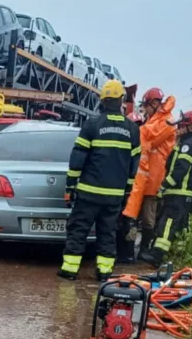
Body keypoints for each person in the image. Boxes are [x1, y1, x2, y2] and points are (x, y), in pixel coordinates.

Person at [58, 80, 141, 282]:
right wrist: (127, 193)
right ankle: (104, 273)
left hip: (88, 193)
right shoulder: (132, 129)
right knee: (107, 234)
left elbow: (78, 158)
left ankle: (70, 270)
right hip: (114, 196)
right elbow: (133, 165)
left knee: (78, 230)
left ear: (103, 101)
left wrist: (70, 186)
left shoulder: (92, 124)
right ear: (121, 100)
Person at [140, 110, 192, 267]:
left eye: (183, 125)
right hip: (182, 193)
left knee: (167, 223)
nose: (179, 128)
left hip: (178, 193)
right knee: (178, 224)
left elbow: (180, 169)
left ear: (191, 126)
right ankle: (175, 253)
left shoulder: (189, 144)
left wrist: (164, 185)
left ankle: (157, 255)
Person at [121, 87, 177, 262]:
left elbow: (148, 138)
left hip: (153, 179)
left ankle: (144, 250)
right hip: (143, 177)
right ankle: (131, 252)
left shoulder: (166, 122)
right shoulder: (155, 120)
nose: (144, 110)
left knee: (147, 217)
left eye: (146, 106)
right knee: (133, 215)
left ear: (154, 103)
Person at [116, 111, 146, 263]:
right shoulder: (130, 143)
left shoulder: (141, 143)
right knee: (124, 222)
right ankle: (124, 253)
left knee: (129, 223)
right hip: (127, 188)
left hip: (134, 189)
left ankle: (127, 254)